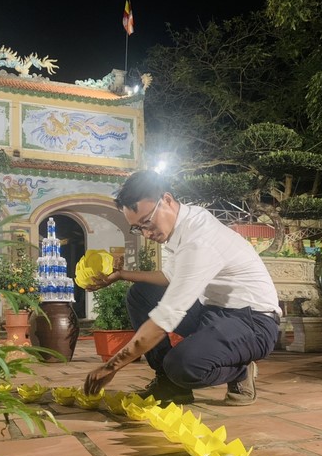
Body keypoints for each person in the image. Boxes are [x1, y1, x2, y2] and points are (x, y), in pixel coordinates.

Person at [83, 169, 281, 406]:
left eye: (147, 222)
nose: (146, 233)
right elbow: (170, 276)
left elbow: (165, 317)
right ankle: (169, 386)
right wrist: (121, 275)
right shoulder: (181, 225)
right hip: (214, 313)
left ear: (166, 200)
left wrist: (111, 366)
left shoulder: (199, 239)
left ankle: (240, 370)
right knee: (141, 294)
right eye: (138, 228)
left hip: (254, 323)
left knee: (183, 366)